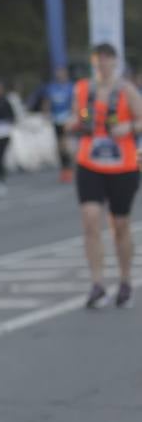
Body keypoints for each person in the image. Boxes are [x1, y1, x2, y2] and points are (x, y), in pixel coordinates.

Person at [67, 43, 142, 308]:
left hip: (123, 165)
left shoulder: (127, 90)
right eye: (99, 59)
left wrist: (129, 126)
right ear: (93, 62)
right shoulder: (83, 89)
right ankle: (97, 283)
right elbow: (81, 117)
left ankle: (124, 280)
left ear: (115, 62)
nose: (103, 64)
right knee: (90, 219)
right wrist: (76, 122)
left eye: (108, 59)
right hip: (90, 162)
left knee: (120, 225)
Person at [31, 66, 75, 182]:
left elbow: (75, 103)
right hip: (57, 119)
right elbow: (47, 101)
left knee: (65, 144)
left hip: (68, 119)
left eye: (62, 73)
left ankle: (69, 169)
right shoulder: (52, 87)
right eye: (58, 73)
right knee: (59, 146)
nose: (60, 75)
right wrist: (46, 112)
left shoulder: (71, 87)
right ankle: (64, 169)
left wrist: (74, 116)